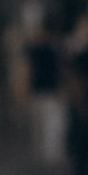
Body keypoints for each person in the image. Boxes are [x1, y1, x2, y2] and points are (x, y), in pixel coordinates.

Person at [24, 27, 68, 166]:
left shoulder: (35, 50)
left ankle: (43, 152)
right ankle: (48, 153)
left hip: (41, 90)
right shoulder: (52, 50)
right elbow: (61, 69)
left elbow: (30, 70)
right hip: (48, 90)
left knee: (42, 123)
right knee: (50, 123)